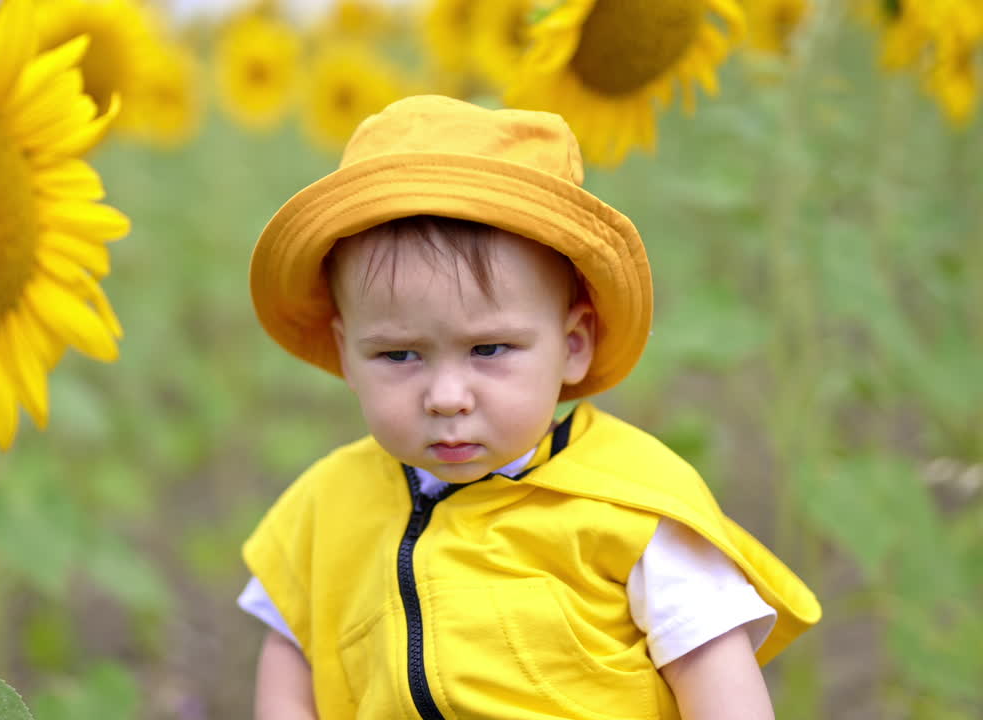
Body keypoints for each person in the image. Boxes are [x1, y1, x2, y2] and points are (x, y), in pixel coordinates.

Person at [238, 94, 821, 720]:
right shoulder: (324, 509)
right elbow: (292, 646)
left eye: (489, 349)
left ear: (572, 346)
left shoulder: (630, 506)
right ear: (346, 354)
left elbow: (713, 667)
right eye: (400, 356)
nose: (447, 397)